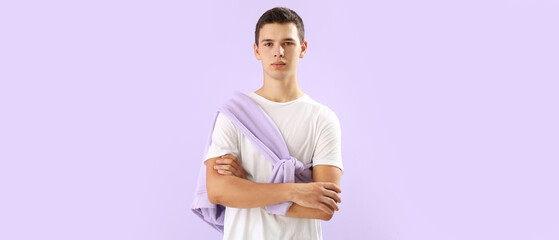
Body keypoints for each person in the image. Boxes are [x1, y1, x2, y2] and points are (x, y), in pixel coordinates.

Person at [203, 7, 344, 240]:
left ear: (303, 48)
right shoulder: (234, 114)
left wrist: (245, 187)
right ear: (257, 51)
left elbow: (323, 208)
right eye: (268, 44)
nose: (278, 52)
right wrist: (297, 190)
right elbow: (217, 191)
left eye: (288, 43)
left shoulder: (322, 118)